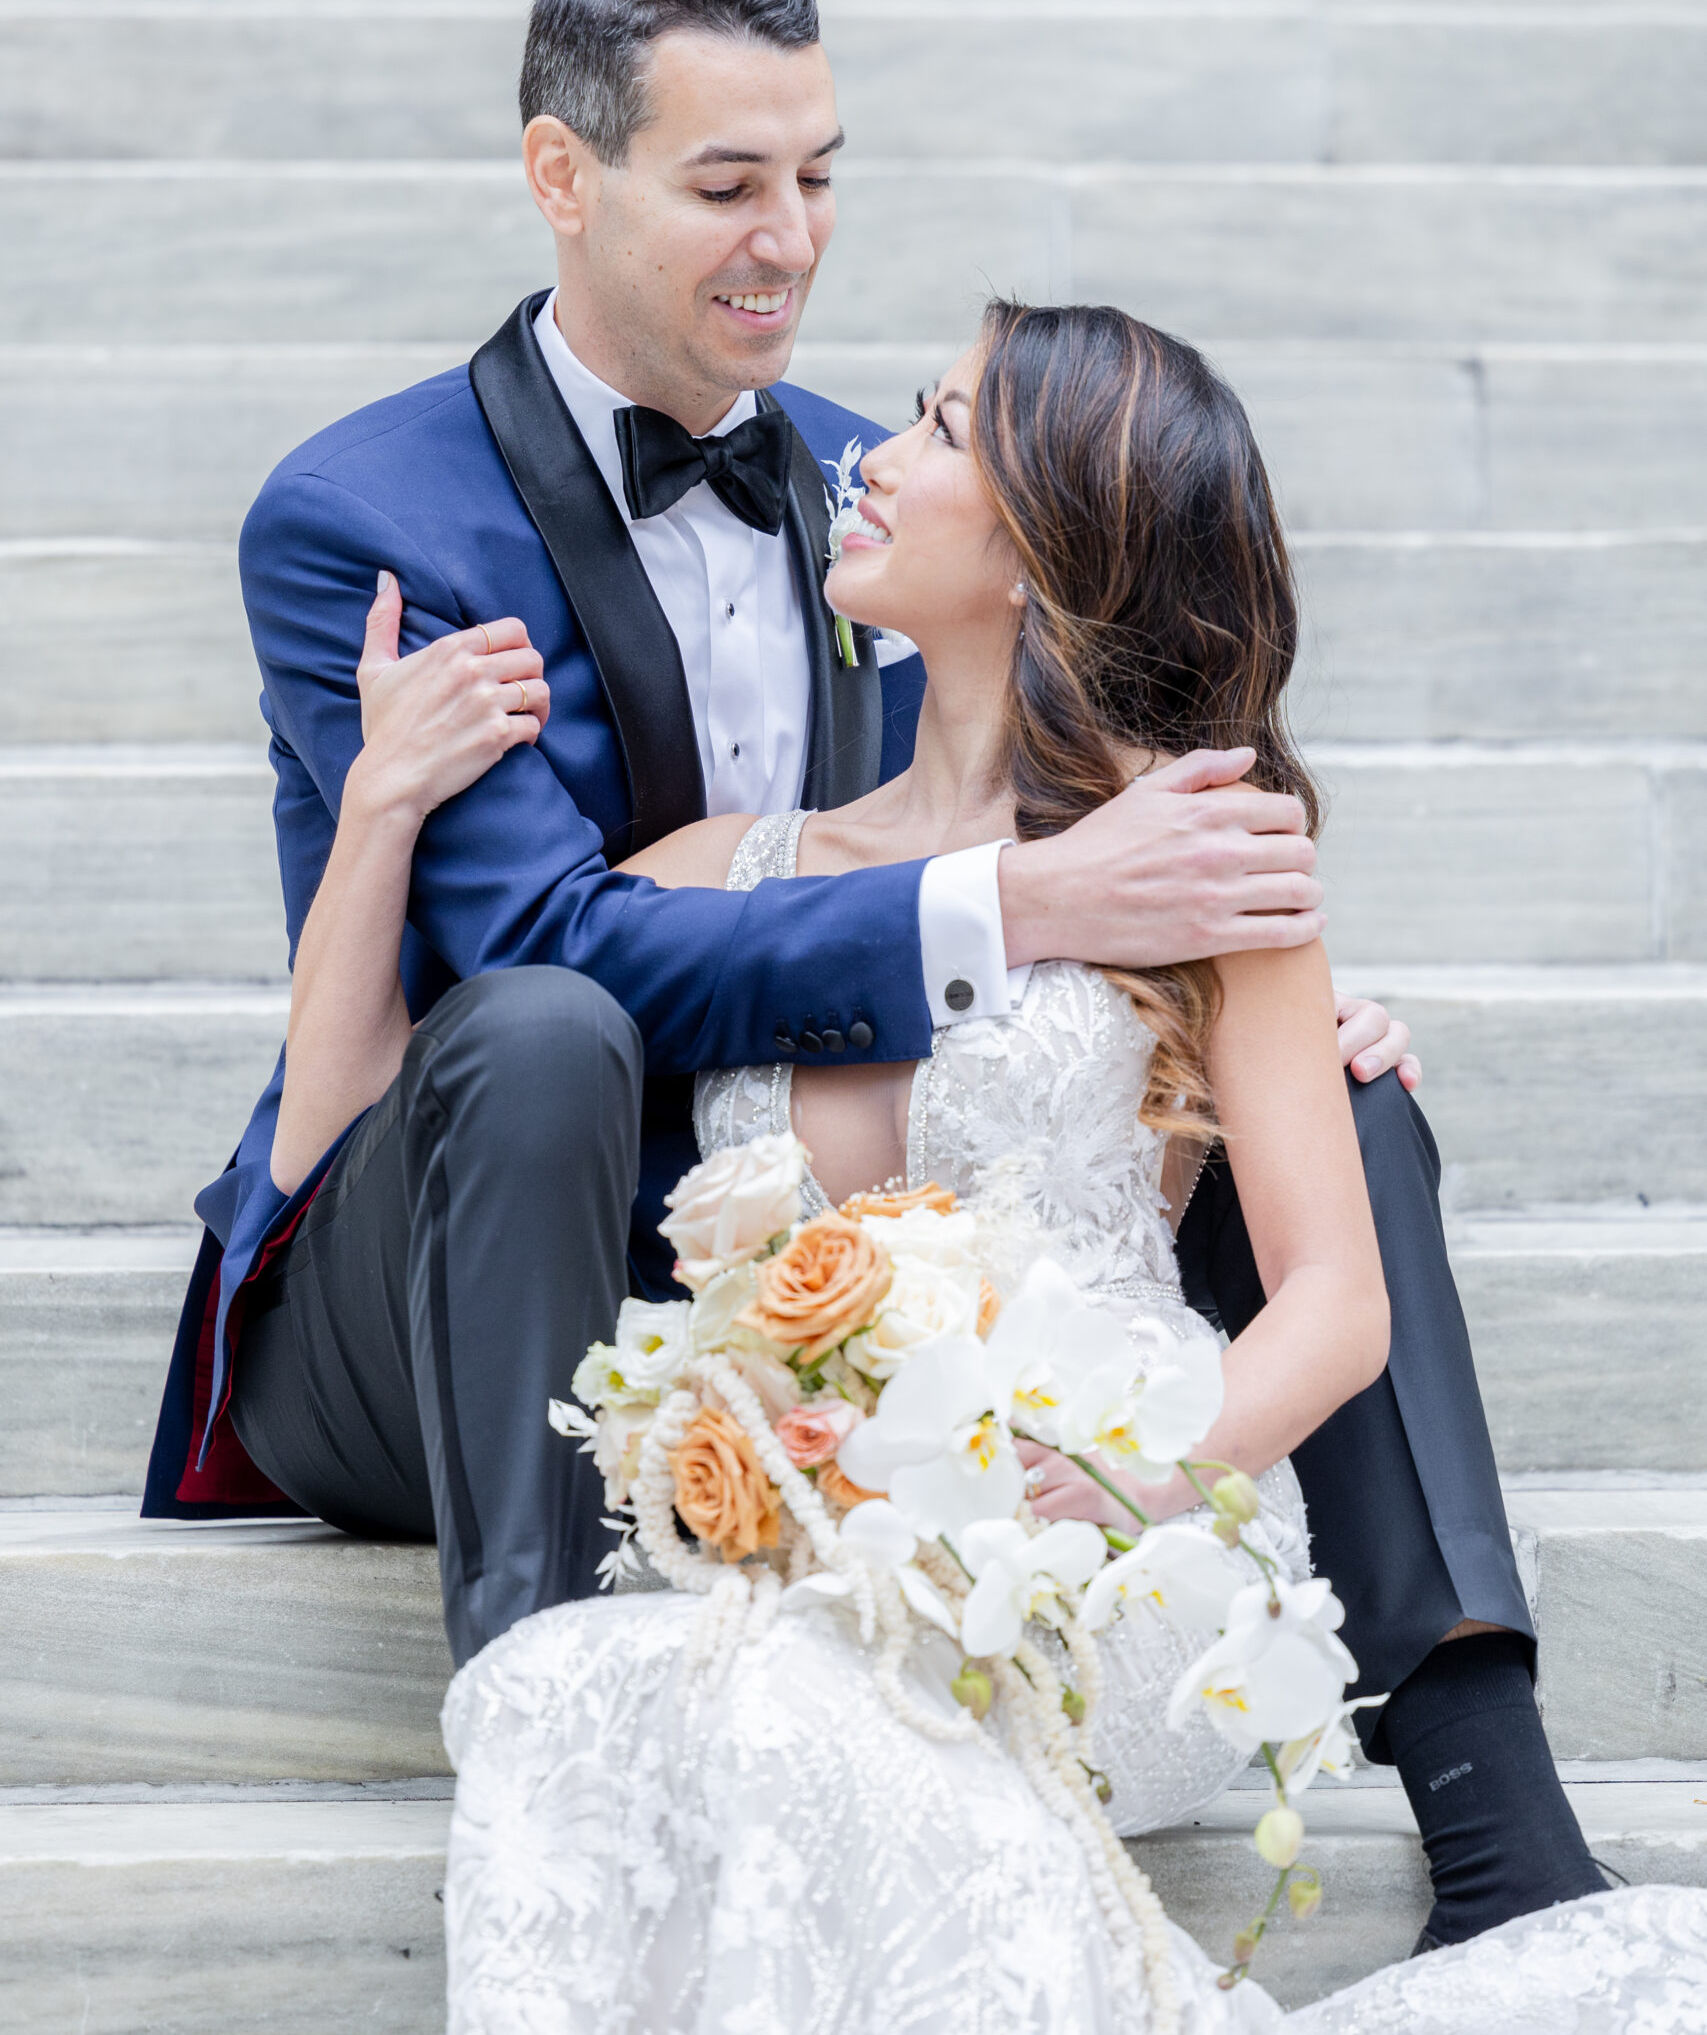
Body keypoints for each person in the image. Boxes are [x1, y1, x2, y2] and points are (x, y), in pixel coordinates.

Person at [142, 0, 1584, 1949]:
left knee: (1342, 1114)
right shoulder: (367, 512)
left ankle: (1496, 1814)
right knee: (552, 1024)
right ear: (564, 173)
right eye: (728, 184)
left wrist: (1213, 1005)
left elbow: (991, 826)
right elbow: (545, 953)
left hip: (836, 1229)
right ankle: (564, 1739)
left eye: (818, 174)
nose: (790, 237)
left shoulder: (854, 488)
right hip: (468, 1229)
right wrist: (1025, 906)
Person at [275, 302, 1701, 2031]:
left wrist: (1128, 1484)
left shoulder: (1201, 865)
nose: (861, 450)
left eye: (937, 428)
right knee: (750, 1701)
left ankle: (1496, 1817)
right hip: (822, 1545)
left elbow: (1332, 1300)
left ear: (1038, 559)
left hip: (1115, 1538)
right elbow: (362, 1128)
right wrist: (375, 820)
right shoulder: (737, 871)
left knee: (810, 1716)